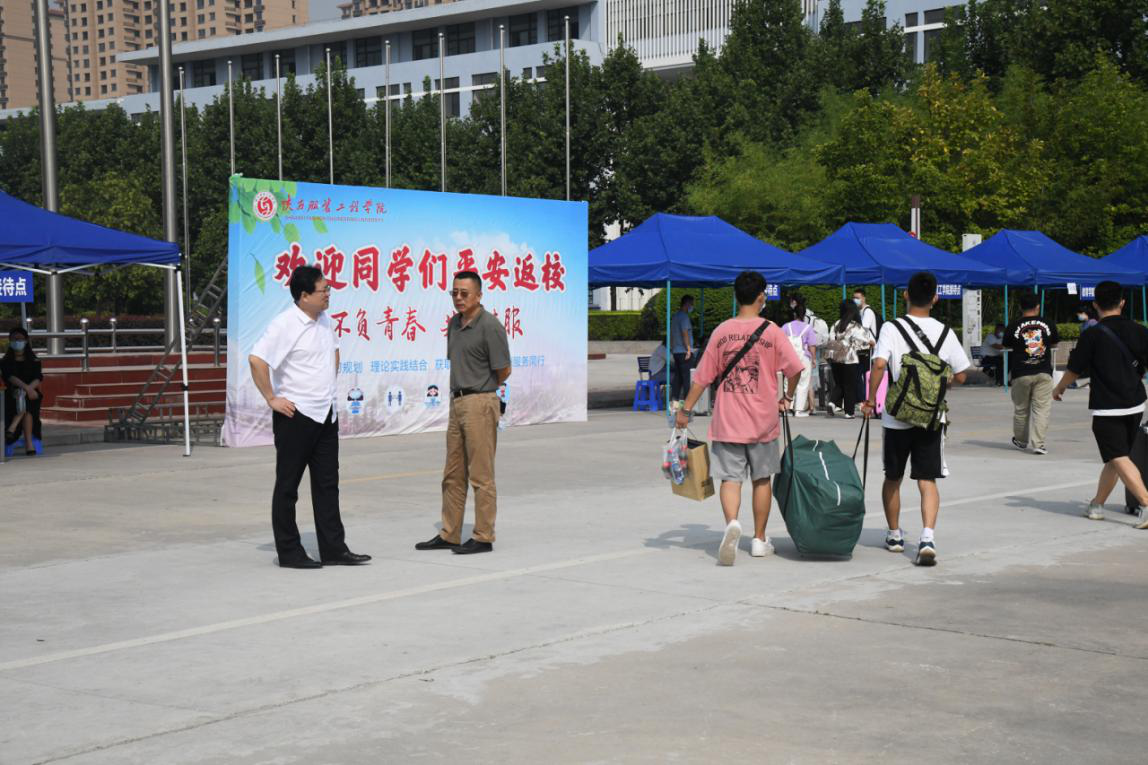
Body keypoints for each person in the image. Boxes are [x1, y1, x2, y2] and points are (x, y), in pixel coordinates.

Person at [675, 271, 803, 566]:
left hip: (728, 421)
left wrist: (686, 411)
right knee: (762, 479)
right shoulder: (772, 331)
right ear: (761, 297)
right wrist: (787, 396)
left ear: (735, 296)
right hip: (763, 422)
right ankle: (759, 539)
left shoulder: (722, 332)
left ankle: (732, 523)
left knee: (730, 480)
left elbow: (702, 378)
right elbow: (796, 369)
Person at [249, 265, 372, 569]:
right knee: (288, 486)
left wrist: (327, 387)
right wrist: (272, 398)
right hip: (296, 416)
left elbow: (334, 352)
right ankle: (289, 552)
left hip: (326, 414)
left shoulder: (325, 320)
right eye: (323, 290)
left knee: (328, 484)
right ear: (304, 296)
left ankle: (333, 549)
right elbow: (257, 359)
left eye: (328, 289)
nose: (328, 294)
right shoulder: (285, 324)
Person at [863, 271, 970, 566]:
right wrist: (939, 382)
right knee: (927, 479)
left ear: (905, 295)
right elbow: (962, 374)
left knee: (893, 477)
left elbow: (879, 364)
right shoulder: (945, 332)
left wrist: (870, 400)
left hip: (897, 416)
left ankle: (894, 535)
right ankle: (927, 538)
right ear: (936, 298)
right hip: (931, 417)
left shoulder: (891, 327)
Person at [416, 270, 512, 555]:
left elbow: (504, 370)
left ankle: (483, 536)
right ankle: (450, 533)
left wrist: (482, 391)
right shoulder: (454, 324)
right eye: (454, 292)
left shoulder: (490, 326)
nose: (458, 298)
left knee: (481, 475)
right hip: (457, 402)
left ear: (479, 295)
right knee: (453, 473)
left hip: (480, 402)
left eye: (464, 293)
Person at [1052, 281, 1148, 529]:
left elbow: (1074, 369)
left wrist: (1059, 388)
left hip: (1108, 406)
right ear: (1122, 302)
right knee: (1116, 458)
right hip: (1136, 404)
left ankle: (1147, 503)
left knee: (1117, 456)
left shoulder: (1092, 334)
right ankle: (1097, 505)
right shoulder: (1140, 330)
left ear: (1095, 304)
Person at [1003, 292, 1059, 455]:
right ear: (1037, 306)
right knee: (1042, 409)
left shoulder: (1013, 325)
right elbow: (1055, 343)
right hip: (1044, 372)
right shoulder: (1047, 323)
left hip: (1021, 372)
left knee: (1021, 409)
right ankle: (1038, 444)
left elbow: (1006, 345)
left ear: (1020, 307)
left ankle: (1021, 441)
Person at [825, 300, 873, 419]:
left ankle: (832, 402)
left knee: (839, 383)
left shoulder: (836, 324)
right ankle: (849, 412)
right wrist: (870, 344)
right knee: (849, 385)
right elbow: (863, 343)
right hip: (850, 359)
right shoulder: (855, 326)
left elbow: (831, 339)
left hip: (835, 358)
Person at [2, 327, 43, 455]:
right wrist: (27, 389)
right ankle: (29, 444)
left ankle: (13, 427)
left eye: (20, 339)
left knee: (26, 400)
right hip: (12, 393)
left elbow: (38, 377)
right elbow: (10, 377)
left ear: (26, 341)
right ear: (10, 341)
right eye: (14, 339)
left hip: (31, 393)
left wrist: (29, 389)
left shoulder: (34, 360)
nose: (17, 342)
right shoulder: (5, 361)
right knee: (24, 401)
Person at [781, 303, 818, 417]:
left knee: (788, 382)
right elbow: (812, 345)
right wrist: (814, 359)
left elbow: (781, 342)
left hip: (789, 356)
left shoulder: (786, 326)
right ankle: (798, 410)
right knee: (803, 383)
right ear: (804, 315)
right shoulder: (808, 328)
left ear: (794, 314)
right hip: (804, 357)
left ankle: (787, 408)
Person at [853, 289, 879, 402]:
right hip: (865, 348)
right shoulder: (860, 312)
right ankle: (864, 399)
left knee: (865, 374)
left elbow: (863, 329)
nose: (855, 300)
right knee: (861, 374)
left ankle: (866, 399)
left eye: (858, 298)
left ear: (864, 298)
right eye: (854, 298)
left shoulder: (867, 312)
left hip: (869, 348)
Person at [670, 295, 695, 402]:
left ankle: (674, 401)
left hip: (676, 351)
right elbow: (685, 333)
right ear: (687, 304)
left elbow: (671, 334)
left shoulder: (675, 316)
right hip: (684, 352)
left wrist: (672, 348)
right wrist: (688, 349)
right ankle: (687, 402)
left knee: (678, 378)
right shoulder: (684, 317)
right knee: (687, 378)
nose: (692, 306)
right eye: (692, 304)